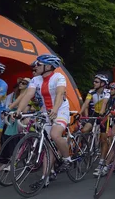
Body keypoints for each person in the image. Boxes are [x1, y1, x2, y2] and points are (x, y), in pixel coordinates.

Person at [15, 54, 73, 183]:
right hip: (46, 111)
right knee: (46, 144)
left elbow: (59, 94)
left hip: (60, 109)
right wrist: (18, 110)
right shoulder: (36, 80)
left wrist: (55, 110)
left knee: (55, 135)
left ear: (49, 66)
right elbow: (28, 95)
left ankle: (67, 158)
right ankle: (45, 176)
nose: (36, 66)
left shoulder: (59, 77)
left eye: (39, 64)